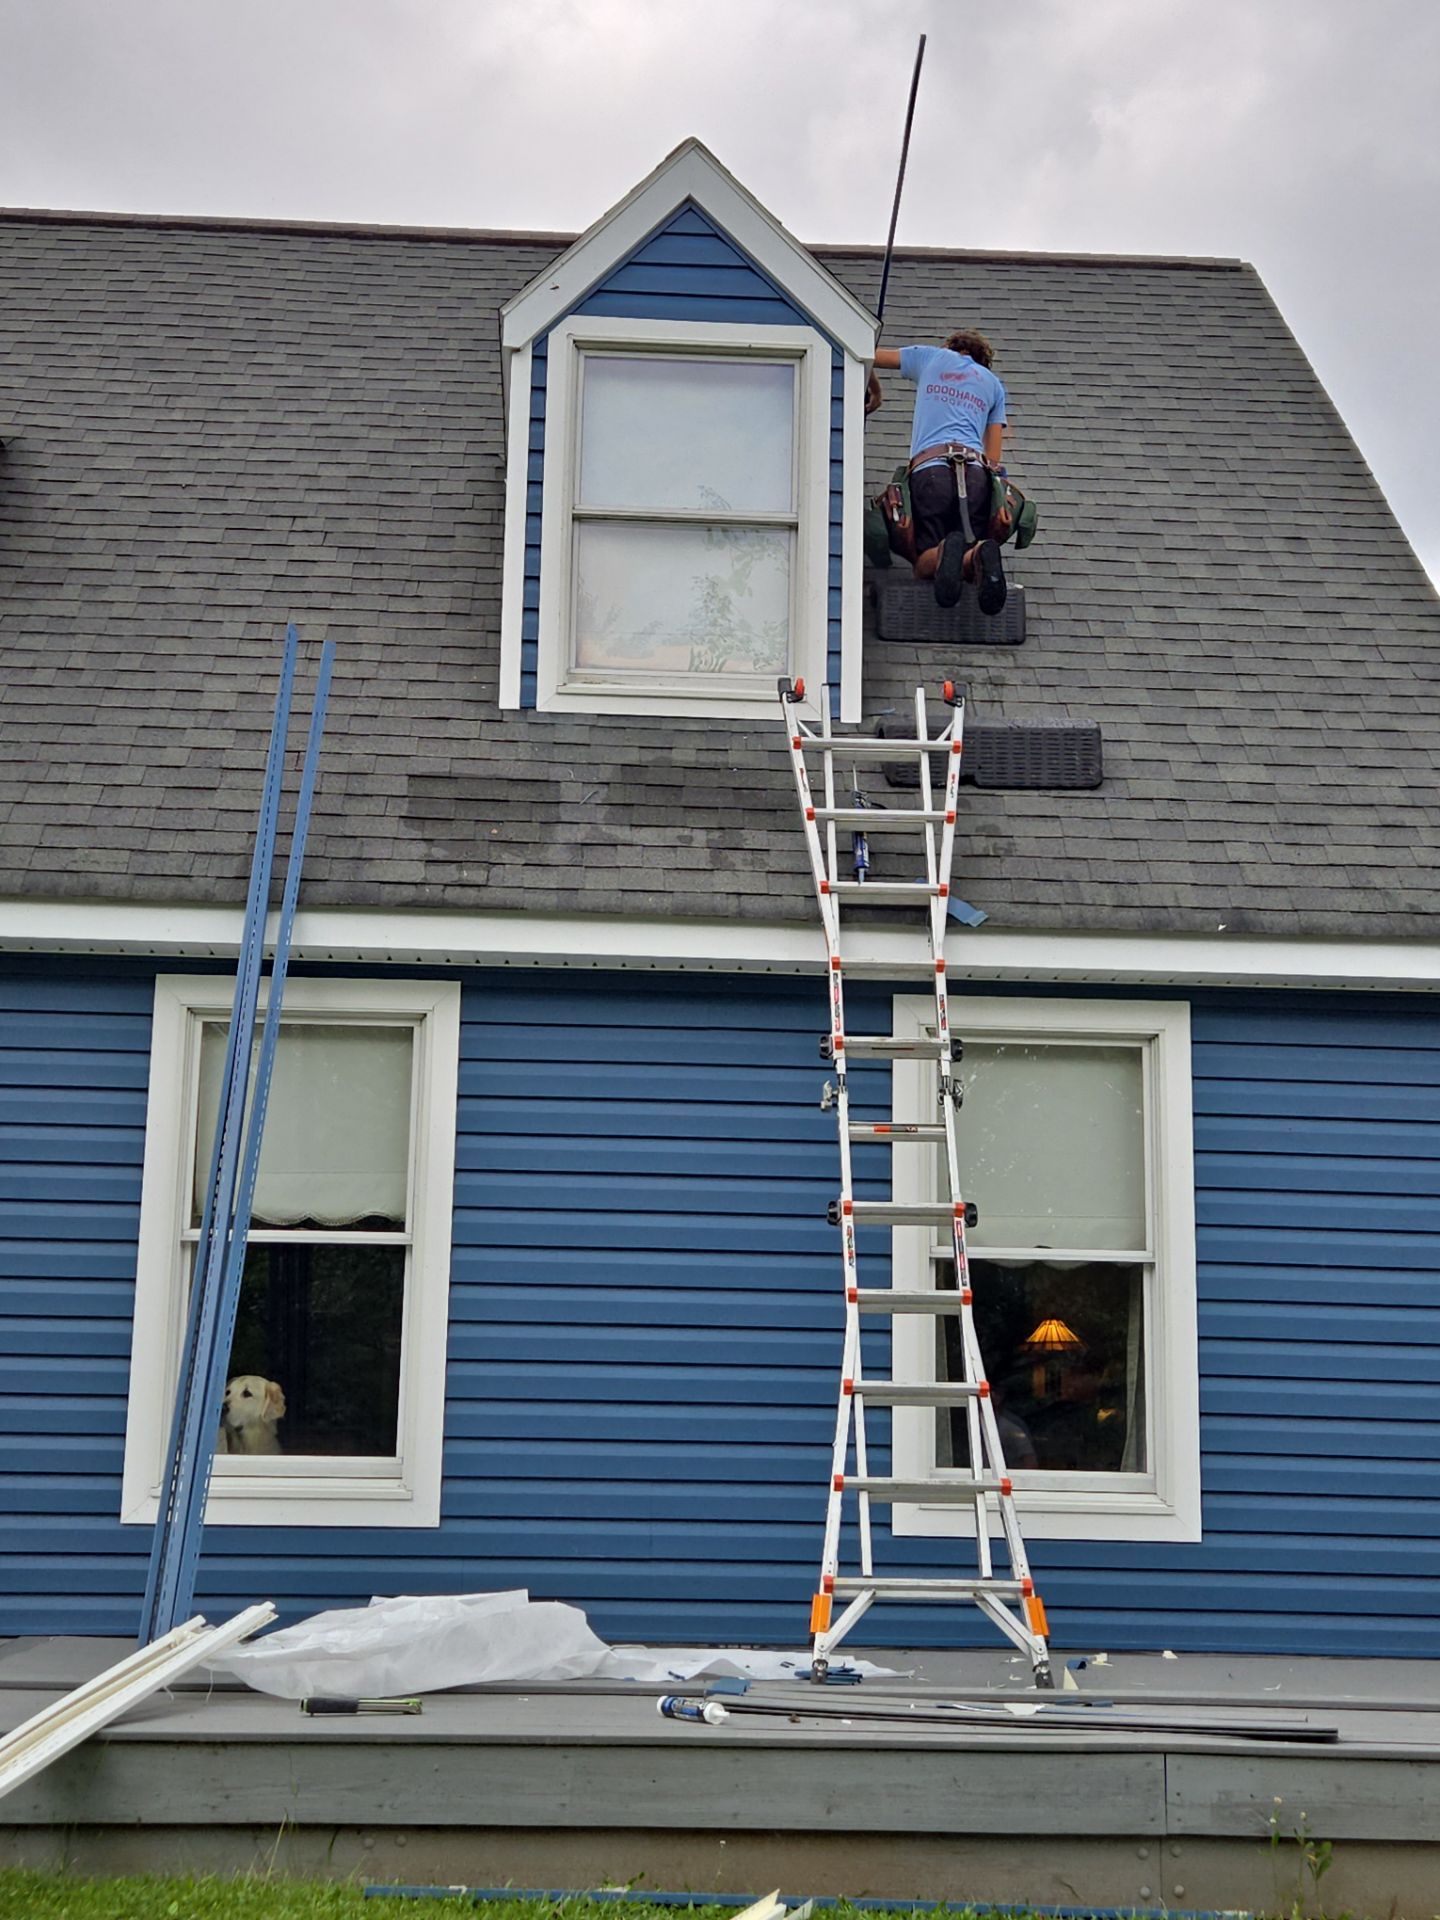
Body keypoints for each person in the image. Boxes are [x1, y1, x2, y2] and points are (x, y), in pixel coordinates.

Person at [866, 329, 1009, 614]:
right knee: (969, 554)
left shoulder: (931, 357)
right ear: (983, 361)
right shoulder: (993, 384)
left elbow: (863, 352)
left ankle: (944, 550)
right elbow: (993, 461)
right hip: (976, 476)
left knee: (923, 564)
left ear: (950, 347)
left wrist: (876, 390)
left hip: (931, 472)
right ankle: (979, 552)